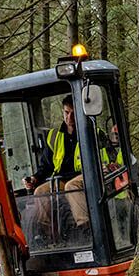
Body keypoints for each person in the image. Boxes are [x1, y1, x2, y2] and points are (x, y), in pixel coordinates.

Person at [23, 95, 89, 238]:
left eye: (73, 112)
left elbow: (104, 158)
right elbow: (46, 165)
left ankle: (86, 228)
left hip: (85, 176)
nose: (69, 117)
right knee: (41, 191)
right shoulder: (54, 136)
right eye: (66, 112)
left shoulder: (90, 132)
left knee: (71, 187)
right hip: (61, 179)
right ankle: (47, 235)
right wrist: (35, 178)